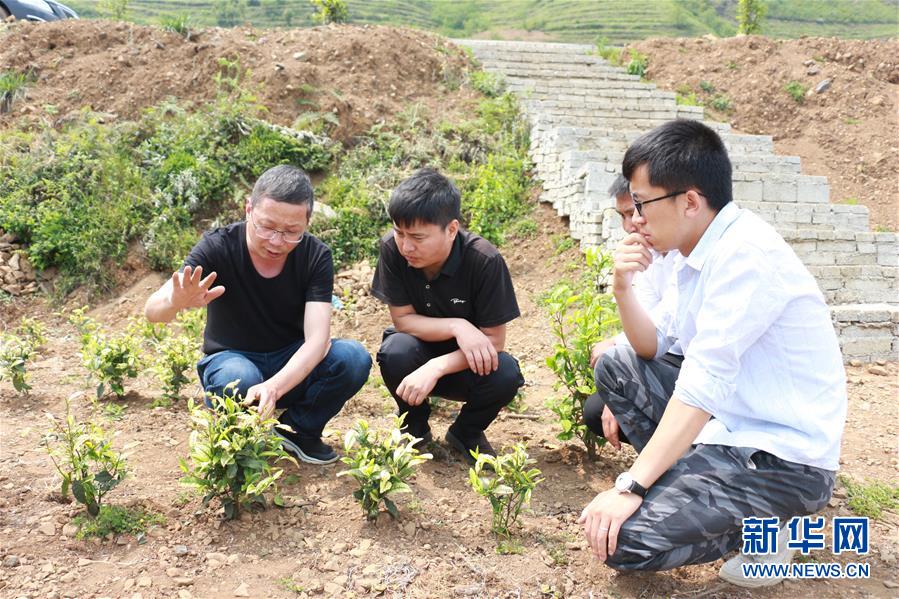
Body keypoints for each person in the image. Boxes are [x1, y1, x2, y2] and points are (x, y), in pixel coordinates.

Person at [578, 120, 847, 588]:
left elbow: (701, 386)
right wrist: (622, 287)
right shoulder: (696, 252)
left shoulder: (744, 257)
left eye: (641, 204)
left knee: (624, 542)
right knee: (618, 366)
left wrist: (632, 486)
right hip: (728, 430)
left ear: (689, 200)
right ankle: (692, 489)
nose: (635, 219)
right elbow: (652, 347)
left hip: (781, 458)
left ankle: (767, 531)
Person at [144, 165, 371, 465]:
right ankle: (237, 440)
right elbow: (152, 310)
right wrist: (176, 300)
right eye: (266, 226)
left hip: (290, 366)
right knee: (239, 378)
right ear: (248, 209)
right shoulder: (217, 247)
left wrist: (274, 386)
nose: (277, 241)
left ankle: (299, 432)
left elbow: (318, 340)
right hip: (232, 360)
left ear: (307, 221)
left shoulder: (315, 256)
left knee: (353, 357)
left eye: (291, 232)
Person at [371, 167, 524, 462]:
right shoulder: (392, 250)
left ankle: (466, 433)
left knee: (506, 373)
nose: (406, 246)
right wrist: (457, 325)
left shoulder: (484, 260)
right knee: (395, 350)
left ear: (452, 229)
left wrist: (437, 367)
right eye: (399, 232)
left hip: (467, 366)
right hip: (415, 356)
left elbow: (493, 342)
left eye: (417, 237)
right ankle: (414, 430)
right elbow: (402, 320)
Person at [583, 174, 681, 450]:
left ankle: (676, 471)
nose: (629, 226)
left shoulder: (687, 253)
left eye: (633, 212)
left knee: (612, 363)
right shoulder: (650, 252)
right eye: (622, 216)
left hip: (698, 365)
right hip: (669, 355)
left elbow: (665, 330)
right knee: (596, 408)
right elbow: (651, 325)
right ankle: (664, 468)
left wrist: (624, 376)